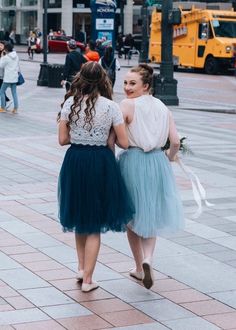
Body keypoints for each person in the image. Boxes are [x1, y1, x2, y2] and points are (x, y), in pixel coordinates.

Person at [57, 61, 134, 292]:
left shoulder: (70, 103)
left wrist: (81, 135)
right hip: (100, 162)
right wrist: (106, 137)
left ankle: (81, 269)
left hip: (75, 160)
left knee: (80, 217)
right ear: (103, 80)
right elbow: (124, 143)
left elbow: (62, 139)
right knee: (94, 225)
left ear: (81, 78)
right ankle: (89, 280)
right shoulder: (111, 107)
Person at [118, 64, 184, 289]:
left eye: (132, 83)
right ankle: (148, 258)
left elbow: (117, 137)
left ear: (146, 86)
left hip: (133, 161)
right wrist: (169, 157)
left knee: (131, 215)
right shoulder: (163, 107)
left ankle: (138, 267)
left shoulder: (127, 105)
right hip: (158, 161)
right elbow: (175, 141)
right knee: (151, 213)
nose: (127, 87)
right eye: (125, 82)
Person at [0, 42, 19, 114]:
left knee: (1, 91)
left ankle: (3, 107)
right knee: (14, 92)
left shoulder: (6, 57)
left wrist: (2, 56)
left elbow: (1, 66)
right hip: (14, 77)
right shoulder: (16, 56)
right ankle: (15, 109)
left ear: (6, 49)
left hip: (7, 77)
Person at [0, 41, 11, 112]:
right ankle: (6, 101)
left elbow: (4, 64)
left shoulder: (5, 54)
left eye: (1, 45)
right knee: (1, 90)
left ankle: (4, 104)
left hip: (2, 75)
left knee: (1, 90)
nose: (0, 46)